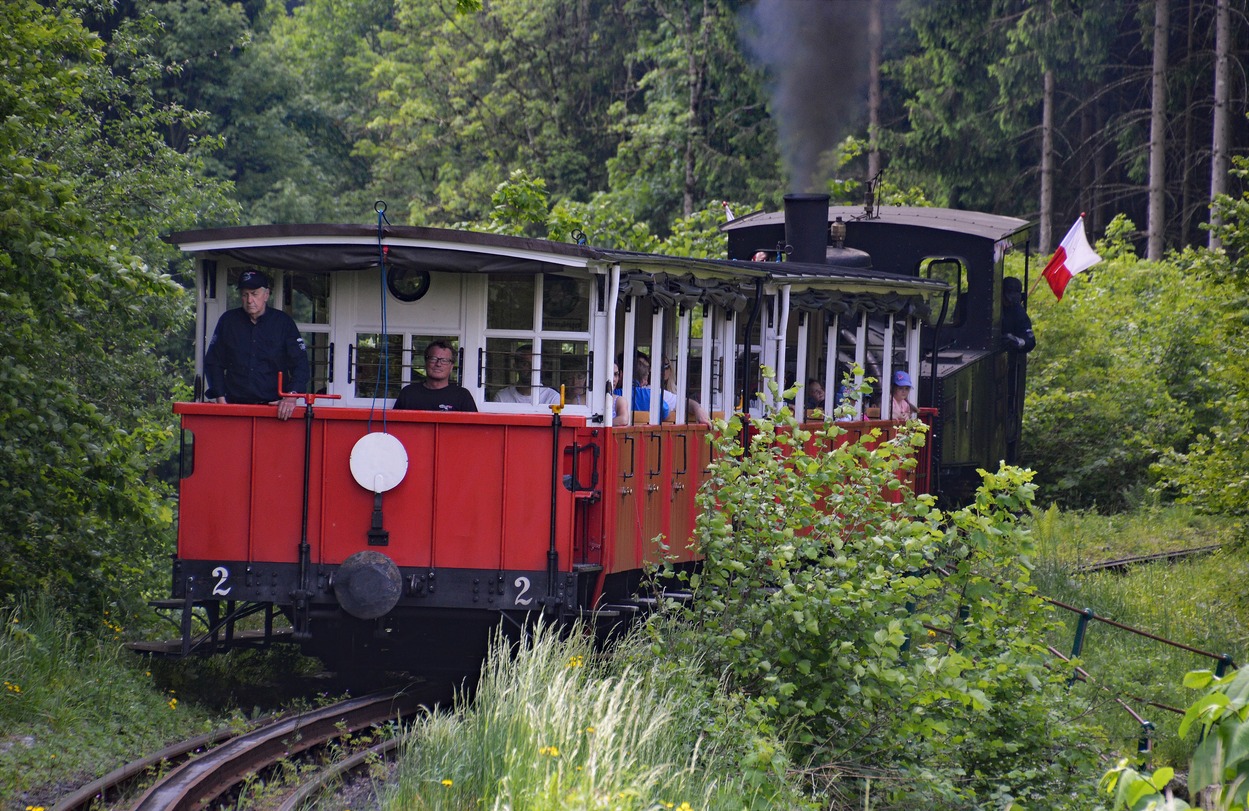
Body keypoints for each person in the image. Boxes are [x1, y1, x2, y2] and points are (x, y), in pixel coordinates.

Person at [204, 269, 309, 421]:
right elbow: (213, 362)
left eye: (254, 294)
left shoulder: (283, 323)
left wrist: (291, 396)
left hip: (274, 410)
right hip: (234, 407)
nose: (249, 300)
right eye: (245, 294)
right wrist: (220, 399)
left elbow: (301, 364)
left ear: (266, 295)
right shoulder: (228, 321)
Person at [394, 341, 477, 412]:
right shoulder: (408, 393)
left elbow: (474, 425)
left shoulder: (462, 396)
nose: (438, 364)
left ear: (451, 367)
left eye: (444, 360)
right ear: (426, 362)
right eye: (433, 359)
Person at [494, 344, 561, 405]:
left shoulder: (552, 397)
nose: (531, 368)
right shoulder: (502, 397)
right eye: (525, 364)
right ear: (515, 366)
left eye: (535, 364)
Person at [660, 356, 712, 426]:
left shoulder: (677, 390)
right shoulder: (650, 390)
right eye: (660, 367)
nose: (662, 371)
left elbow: (683, 403)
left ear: (671, 369)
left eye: (666, 367)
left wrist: (698, 409)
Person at [1001, 276, 1036, 353]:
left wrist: (1018, 341)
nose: (1009, 303)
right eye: (1007, 299)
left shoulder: (1018, 312)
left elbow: (1031, 341)